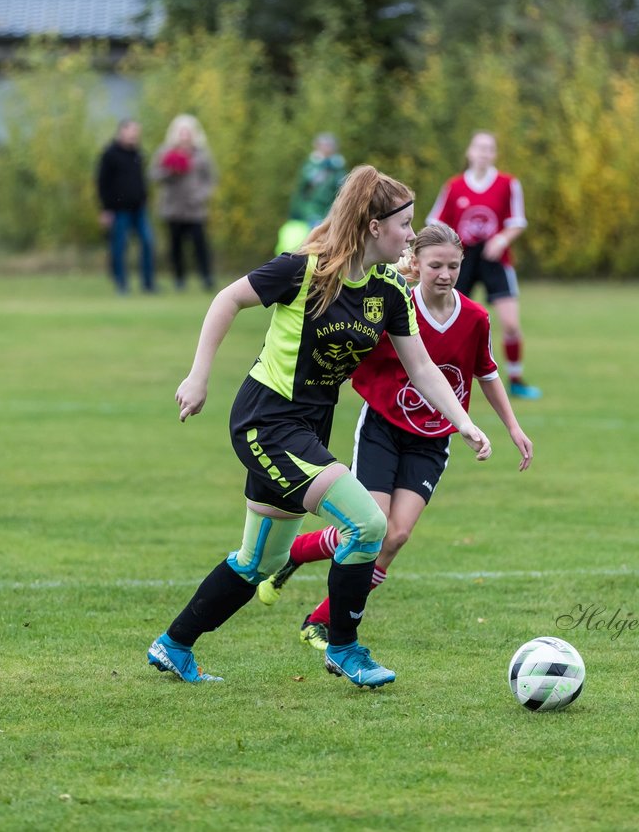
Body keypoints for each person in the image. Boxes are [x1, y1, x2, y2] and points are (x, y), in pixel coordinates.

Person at [147, 165, 493, 688]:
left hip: (308, 426)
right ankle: (344, 648)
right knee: (369, 525)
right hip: (268, 420)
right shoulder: (305, 270)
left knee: (259, 561)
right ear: (375, 226)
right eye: (404, 223)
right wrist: (199, 376)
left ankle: (173, 646)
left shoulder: (389, 292)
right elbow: (227, 299)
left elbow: (421, 367)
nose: (410, 233)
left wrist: (463, 422)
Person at [256, 224, 534, 649]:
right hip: (382, 427)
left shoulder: (476, 317)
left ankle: (320, 619)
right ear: (417, 263)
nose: (445, 274)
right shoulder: (395, 305)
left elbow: (487, 371)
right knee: (371, 526)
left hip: (433, 437)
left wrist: (513, 428)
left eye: (454, 266)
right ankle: (294, 555)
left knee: (396, 536)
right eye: (436, 265)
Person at [426, 131, 541, 400]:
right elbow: (435, 222)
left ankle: (516, 379)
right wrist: (448, 249)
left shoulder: (507, 184)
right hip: (460, 262)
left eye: (489, 149)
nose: (483, 153)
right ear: (469, 151)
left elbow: (517, 222)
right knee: (448, 319)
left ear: (494, 154)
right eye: (479, 147)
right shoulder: (454, 186)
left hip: (495, 261)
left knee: (511, 324)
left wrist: (501, 240)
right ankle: (439, 378)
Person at [149, 114, 217, 291]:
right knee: (176, 246)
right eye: (181, 132)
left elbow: (211, 179)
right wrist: (170, 171)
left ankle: (206, 277)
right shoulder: (164, 151)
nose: (184, 136)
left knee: (200, 244)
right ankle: (179, 279)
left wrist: (201, 195)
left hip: (195, 208)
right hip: (173, 207)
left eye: (188, 132)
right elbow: (153, 175)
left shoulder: (202, 153)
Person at [95, 118, 155, 294]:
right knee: (119, 247)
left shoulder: (138, 153)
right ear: (121, 132)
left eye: (137, 133)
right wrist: (105, 209)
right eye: (131, 132)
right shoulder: (110, 154)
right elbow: (101, 183)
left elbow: (140, 180)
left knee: (147, 242)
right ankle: (121, 284)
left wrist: (145, 197)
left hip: (139, 208)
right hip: (119, 210)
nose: (135, 136)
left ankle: (148, 284)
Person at [289, 132, 345, 228]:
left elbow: (342, 189)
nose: (327, 148)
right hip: (311, 211)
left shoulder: (338, 167)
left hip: (332, 211)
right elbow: (302, 191)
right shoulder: (310, 165)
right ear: (317, 146)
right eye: (324, 145)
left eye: (330, 145)